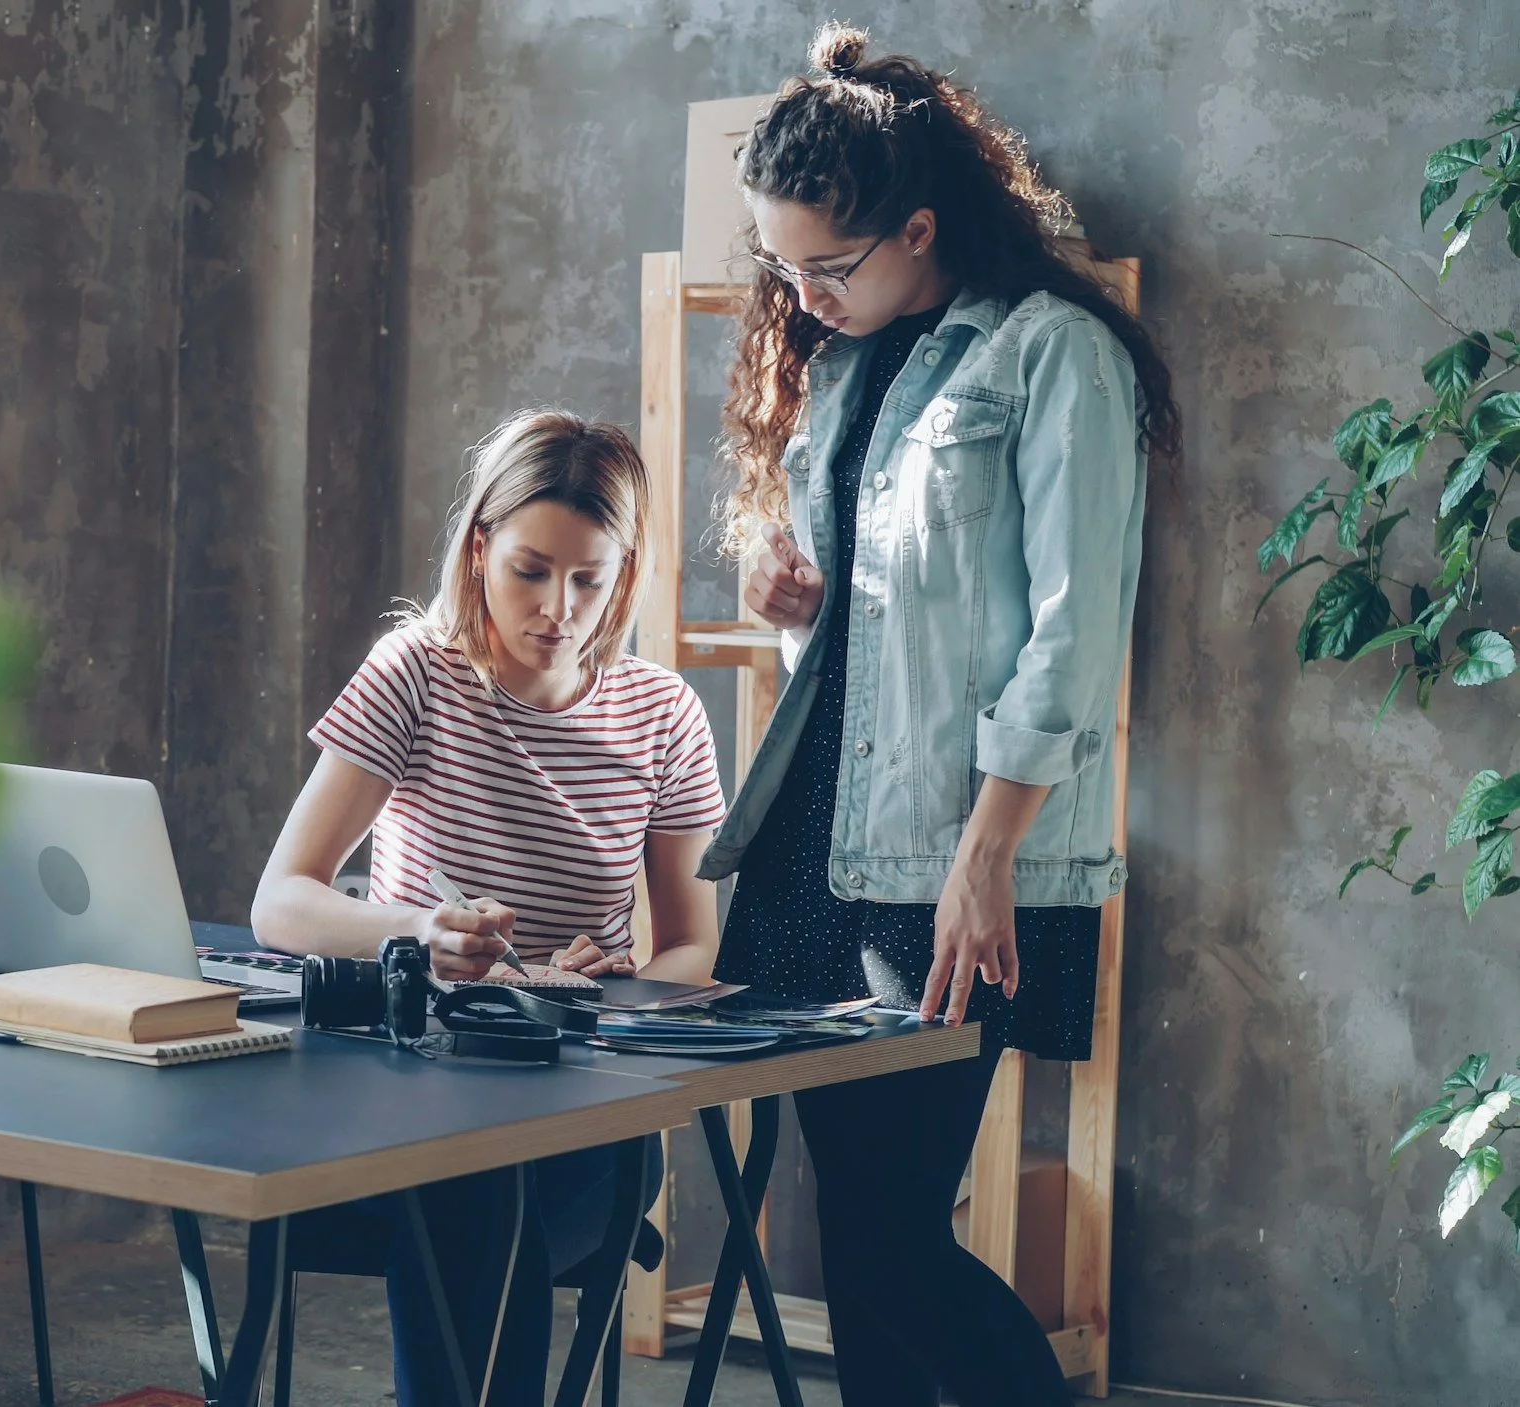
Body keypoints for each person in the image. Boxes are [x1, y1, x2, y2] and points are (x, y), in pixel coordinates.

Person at [702, 23, 1181, 1407]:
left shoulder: (1053, 357)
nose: (802, 294)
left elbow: (1073, 639)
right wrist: (787, 599)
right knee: (853, 1231)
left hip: (961, 854)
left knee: (892, 1232)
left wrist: (989, 860)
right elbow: (877, 638)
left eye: (830, 265)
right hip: (822, 839)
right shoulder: (845, 361)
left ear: (921, 226)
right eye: (780, 264)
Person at [252, 409, 727, 1404]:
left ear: (623, 573)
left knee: (488, 1199)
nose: (558, 607)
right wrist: (419, 935)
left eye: (589, 579)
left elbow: (691, 952)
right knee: (469, 1193)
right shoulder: (415, 675)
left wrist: (617, 988)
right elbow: (280, 903)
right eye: (530, 570)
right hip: (408, 1096)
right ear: (478, 550)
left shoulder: (661, 715)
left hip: (577, 1110)